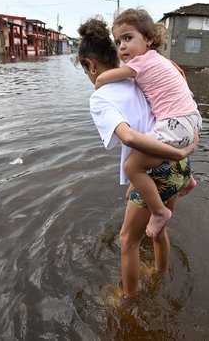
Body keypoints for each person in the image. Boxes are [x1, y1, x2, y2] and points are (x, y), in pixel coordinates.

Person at [76, 17, 198, 299]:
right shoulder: (137, 79)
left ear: (90, 65)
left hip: (159, 166)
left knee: (128, 241)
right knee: (157, 231)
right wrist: (181, 152)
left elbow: (129, 137)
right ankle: (161, 275)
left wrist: (176, 150)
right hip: (179, 168)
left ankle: (129, 303)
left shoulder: (100, 98)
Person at [95, 8, 201, 238]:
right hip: (192, 119)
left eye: (128, 38)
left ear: (149, 39)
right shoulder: (164, 62)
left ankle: (159, 211)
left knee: (132, 166)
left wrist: (98, 85)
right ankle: (188, 181)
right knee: (153, 151)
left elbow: (103, 78)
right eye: (118, 41)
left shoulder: (140, 63)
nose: (121, 46)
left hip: (176, 123)